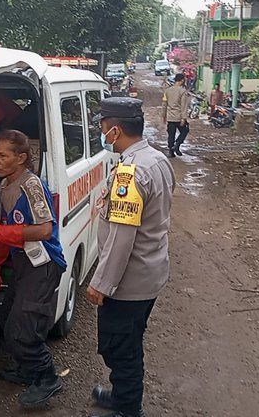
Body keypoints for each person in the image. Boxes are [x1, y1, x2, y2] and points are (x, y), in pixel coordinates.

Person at [86, 97, 175, 417]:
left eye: (101, 128)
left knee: (120, 347)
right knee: (129, 339)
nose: (101, 134)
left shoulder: (131, 172)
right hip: (150, 271)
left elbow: (122, 238)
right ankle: (123, 394)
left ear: (114, 130)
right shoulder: (158, 160)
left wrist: (101, 283)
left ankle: (127, 407)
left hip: (128, 280)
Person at [0, 129, 67, 408]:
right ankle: (26, 369)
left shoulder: (31, 185)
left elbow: (45, 229)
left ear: (20, 158)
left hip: (43, 264)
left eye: (3, 155)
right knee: (7, 317)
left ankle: (47, 377)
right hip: (22, 261)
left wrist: (6, 235)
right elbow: (6, 226)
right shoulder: (4, 184)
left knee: (24, 327)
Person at [162, 73, 190, 158]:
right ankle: (177, 145)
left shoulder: (167, 91)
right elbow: (183, 105)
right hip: (178, 117)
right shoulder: (182, 91)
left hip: (170, 117)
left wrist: (164, 116)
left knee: (171, 134)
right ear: (182, 80)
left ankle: (171, 151)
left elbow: (164, 104)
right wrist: (184, 118)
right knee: (184, 131)